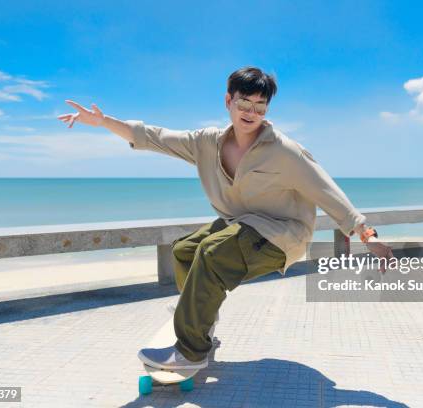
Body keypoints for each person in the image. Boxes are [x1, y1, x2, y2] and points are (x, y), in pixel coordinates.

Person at [59, 66, 394, 370]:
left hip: (283, 235)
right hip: (244, 225)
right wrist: (103, 122)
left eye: (259, 108)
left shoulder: (285, 151)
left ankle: (191, 352)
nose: (250, 113)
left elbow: (326, 190)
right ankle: (204, 318)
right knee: (185, 251)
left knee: (212, 253)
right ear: (228, 101)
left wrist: (367, 234)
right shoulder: (206, 142)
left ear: (267, 110)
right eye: (244, 104)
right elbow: (154, 136)